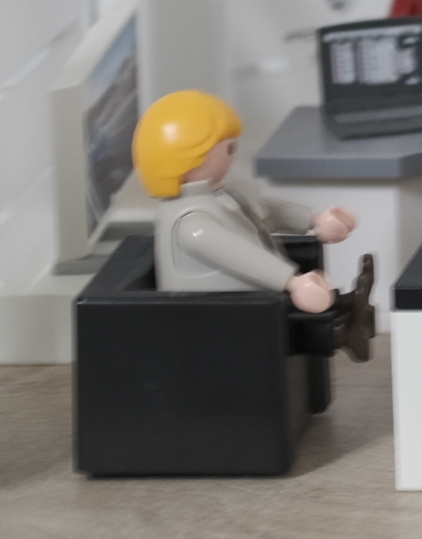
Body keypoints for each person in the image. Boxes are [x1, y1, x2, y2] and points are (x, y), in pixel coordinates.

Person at [135, 89, 374, 356]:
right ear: (189, 157)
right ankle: (340, 330)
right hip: (217, 319)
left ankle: (344, 308)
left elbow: (264, 211)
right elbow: (241, 257)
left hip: (248, 304)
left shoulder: (218, 195)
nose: (233, 151)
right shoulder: (191, 223)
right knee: (296, 326)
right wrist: (292, 282)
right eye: (226, 146)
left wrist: (313, 219)